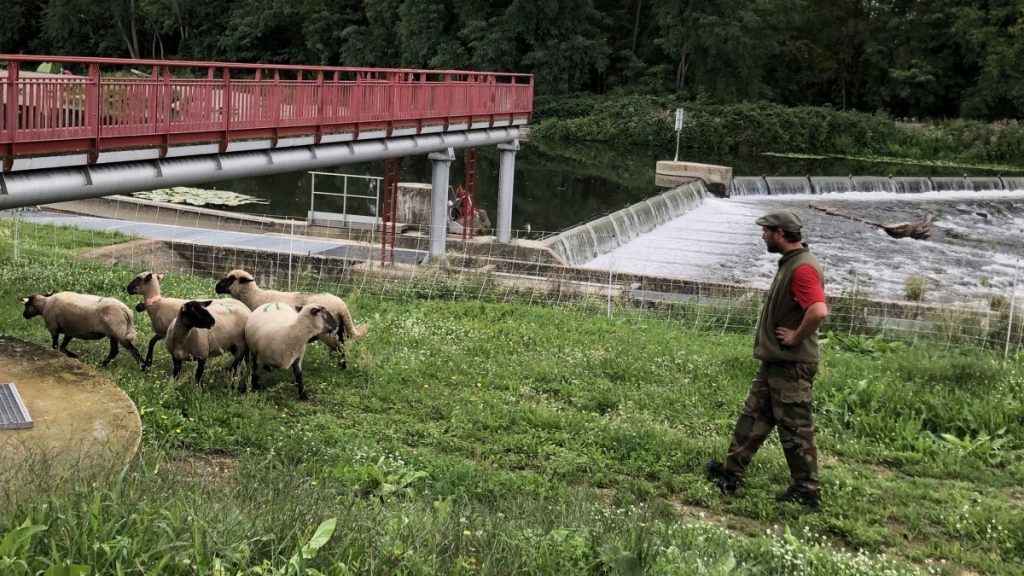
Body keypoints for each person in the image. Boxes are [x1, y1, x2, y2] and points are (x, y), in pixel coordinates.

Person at [706, 208, 828, 508]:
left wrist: (796, 337)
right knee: (753, 417)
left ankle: (806, 491)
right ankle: (731, 473)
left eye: (766, 231)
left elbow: (818, 310)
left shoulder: (802, 268)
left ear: (781, 234)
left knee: (795, 428)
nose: (762, 235)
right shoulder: (791, 263)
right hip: (776, 362)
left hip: (792, 365)